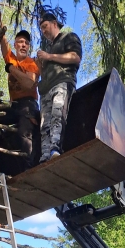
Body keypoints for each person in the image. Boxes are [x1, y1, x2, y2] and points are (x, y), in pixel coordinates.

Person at [0, 0, 40, 171]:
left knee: (24, 133)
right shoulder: (11, 57)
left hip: (28, 106)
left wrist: (11, 69)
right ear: (16, 44)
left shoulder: (32, 64)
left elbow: (29, 83)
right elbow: (1, 37)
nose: (23, 45)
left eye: (26, 43)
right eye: (20, 42)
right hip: (14, 106)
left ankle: (30, 168)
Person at [37, 11, 82, 162]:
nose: (43, 31)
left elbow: (75, 58)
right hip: (45, 90)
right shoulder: (48, 48)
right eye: (41, 29)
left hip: (62, 82)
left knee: (57, 115)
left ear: (54, 23)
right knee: (44, 125)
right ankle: (44, 155)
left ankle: (55, 149)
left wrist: (49, 57)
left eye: (45, 26)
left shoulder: (69, 37)